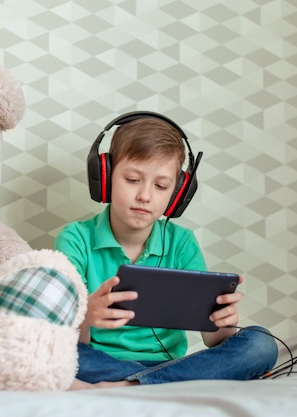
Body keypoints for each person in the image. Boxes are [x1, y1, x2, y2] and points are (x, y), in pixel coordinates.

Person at [55, 112, 278, 389]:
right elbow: (68, 340)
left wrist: (224, 322)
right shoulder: (75, 239)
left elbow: (213, 340)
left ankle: (131, 387)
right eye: (133, 180)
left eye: (161, 186)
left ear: (177, 193)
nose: (145, 196)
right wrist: (86, 315)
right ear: (106, 176)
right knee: (42, 346)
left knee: (261, 344)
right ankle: (162, 385)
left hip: (166, 365)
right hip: (99, 360)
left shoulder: (182, 242)